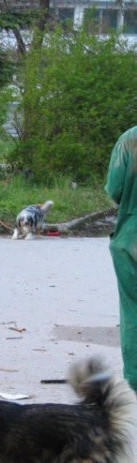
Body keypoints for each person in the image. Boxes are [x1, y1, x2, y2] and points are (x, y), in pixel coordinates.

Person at [105, 125, 137, 392]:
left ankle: (135, 379)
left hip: (131, 240)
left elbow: (115, 189)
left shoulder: (130, 138)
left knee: (133, 313)